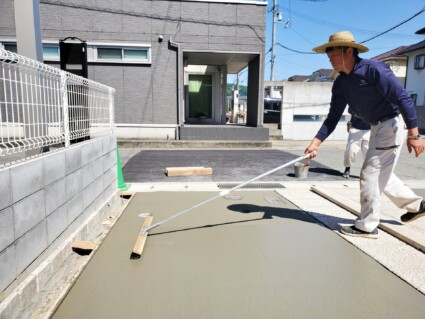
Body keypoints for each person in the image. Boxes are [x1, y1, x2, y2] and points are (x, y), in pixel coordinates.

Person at [304, 31, 425, 239]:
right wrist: (315, 144)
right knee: (381, 175)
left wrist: (414, 135)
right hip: (375, 127)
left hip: (391, 124)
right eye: (328, 57)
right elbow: (332, 117)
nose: (330, 60)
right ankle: (418, 205)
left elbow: (403, 97)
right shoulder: (341, 83)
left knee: (370, 174)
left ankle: (367, 226)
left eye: (333, 55)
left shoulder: (373, 69)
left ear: (348, 51)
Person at [342, 113, 371, 178]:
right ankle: (347, 167)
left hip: (369, 130)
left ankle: (368, 172)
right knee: (351, 151)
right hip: (355, 128)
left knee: (369, 154)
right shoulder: (355, 103)